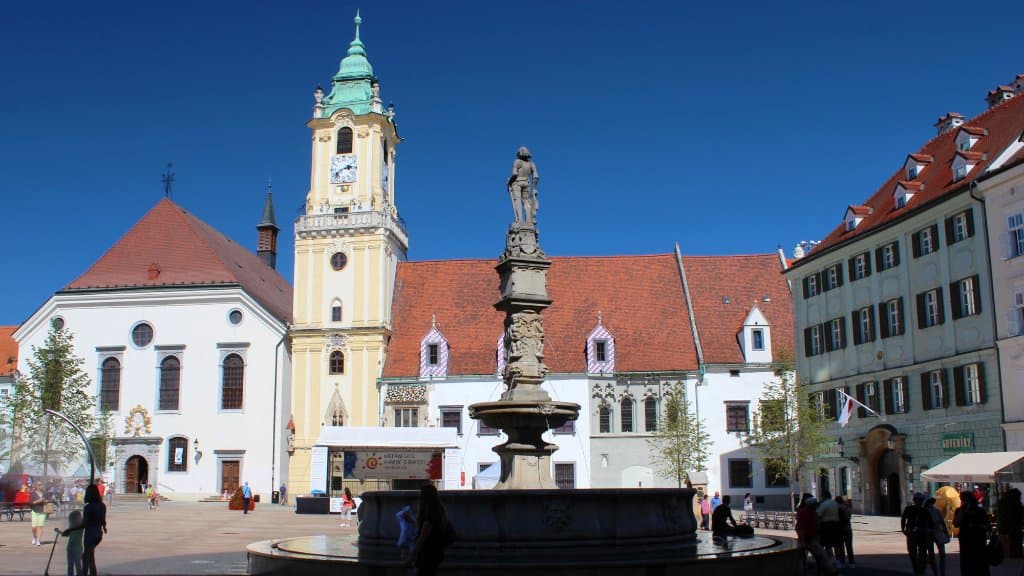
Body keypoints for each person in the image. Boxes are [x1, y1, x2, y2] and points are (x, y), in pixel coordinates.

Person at [407, 484, 454, 576]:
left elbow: (422, 539)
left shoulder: (429, 517)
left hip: (426, 556)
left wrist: (411, 557)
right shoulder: (439, 513)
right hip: (435, 554)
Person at [795, 495, 836, 575]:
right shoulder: (806, 513)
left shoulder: (810, 512)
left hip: (811, 538)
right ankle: (831, 571)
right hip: (809, 539)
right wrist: (803, 540)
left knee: (818, 556)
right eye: (815, 505)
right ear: (811, 505)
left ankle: (825, 571)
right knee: (821, 556)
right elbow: (801, 528)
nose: (816, 506)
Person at [954, 490, 989, 576]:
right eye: (962, 500)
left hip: (978, 539)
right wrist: (962, 511)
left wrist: (975, 525)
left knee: (979, 562)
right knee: (966, 563)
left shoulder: (979, 510)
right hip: (965, 540)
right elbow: (956, 524)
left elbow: (986, 525)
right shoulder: (959, 510)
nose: (963, 502)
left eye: (965, 499)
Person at [506, 146, 540, 226]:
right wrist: (534, 188)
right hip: (527, 183)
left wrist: (509, 182)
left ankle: (520, 221)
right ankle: (529, 222)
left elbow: (514, 174)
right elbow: (536, 176)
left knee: (518, 201)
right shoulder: (531, 164)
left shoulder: (517, 161)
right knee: (526, 202)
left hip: (517, 183)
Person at [901, 492, 932, 576]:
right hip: (912, 533)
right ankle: (917, 569)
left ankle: (921, 569)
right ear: (914, 500)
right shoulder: (909, 509)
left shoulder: (924, 511)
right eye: (917, 500)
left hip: (922, 534)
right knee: (912, 553)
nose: (919, 502)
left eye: (920, 500)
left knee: (922, 553)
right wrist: (903, 529)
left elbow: (929, 522)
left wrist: (928, 531)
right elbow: (903, 518)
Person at [82, 484, 107, 576]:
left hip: (90, 535)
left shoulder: (88, 507)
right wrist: (104, 527)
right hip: (98, 534)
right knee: (87, 557)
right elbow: (103, 520)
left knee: (88, 559)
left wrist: (70, 529)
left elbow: (85, 523)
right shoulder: (102, 505)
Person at [925, 496, 949, 576]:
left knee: (942, 554)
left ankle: (942, 572)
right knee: (931, 555)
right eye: (929, 502)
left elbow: (942, 522)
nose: (931, 504)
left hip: (938, 532)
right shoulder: (924, 512)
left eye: (932, 502)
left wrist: (945, 532)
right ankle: (935, 572)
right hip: (929, 534)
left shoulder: (936, 511)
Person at [998, 487, 1023, 559]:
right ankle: (1015, 554)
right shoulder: (1016, 505)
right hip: (1014, 529)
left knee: (1007, 545)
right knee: (1015, 544)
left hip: (1005, 528)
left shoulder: (1003, 503)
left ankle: (1008, 554)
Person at [816, 489, 840, 563]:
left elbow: (819, 515)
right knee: (836, 544)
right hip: (836, 524)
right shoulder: (835, 503)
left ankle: (830, 559)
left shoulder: (824, 504)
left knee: (827, 544)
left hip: (826, 525)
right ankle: (838, 560)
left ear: (824, 496)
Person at [61, 509, 85, 576]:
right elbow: (66, 535)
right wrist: (59, 531)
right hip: (70, 548)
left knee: (77, 565)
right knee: (71, 565)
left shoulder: (80, 527)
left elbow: (66, 534)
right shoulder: (71, 527)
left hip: (77, 548)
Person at [835, 496, 855, 569]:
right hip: (848, 529)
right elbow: (849, 517)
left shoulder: (836, 508)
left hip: (839, 530)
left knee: (840, 547)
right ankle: (851, 563)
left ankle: (842, 562)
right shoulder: (847, 508)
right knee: (849, 547)